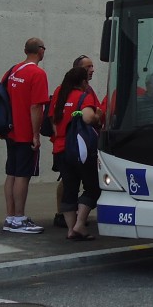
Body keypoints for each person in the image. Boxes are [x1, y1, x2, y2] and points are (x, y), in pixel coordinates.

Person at [49, 65, 102, 241]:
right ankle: (80, 224)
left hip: (61, 149)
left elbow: (54, 125)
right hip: (80, 149)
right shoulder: (82, 97)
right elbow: (87, 117)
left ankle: (71, 229)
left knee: (69, 189)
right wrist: (97, 116)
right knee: (93, 187)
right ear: (82, 82)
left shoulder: (59, 97)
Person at [3, 37, 49, 234]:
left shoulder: (13, 71)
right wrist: (36, 135)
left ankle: (11, 216)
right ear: (40, 51)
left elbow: (4, 98)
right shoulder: (37, 74)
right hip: (24, 133)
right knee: (22, 175)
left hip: (11, 131)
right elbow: (36, 106)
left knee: (11, 173)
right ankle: (19, 219)